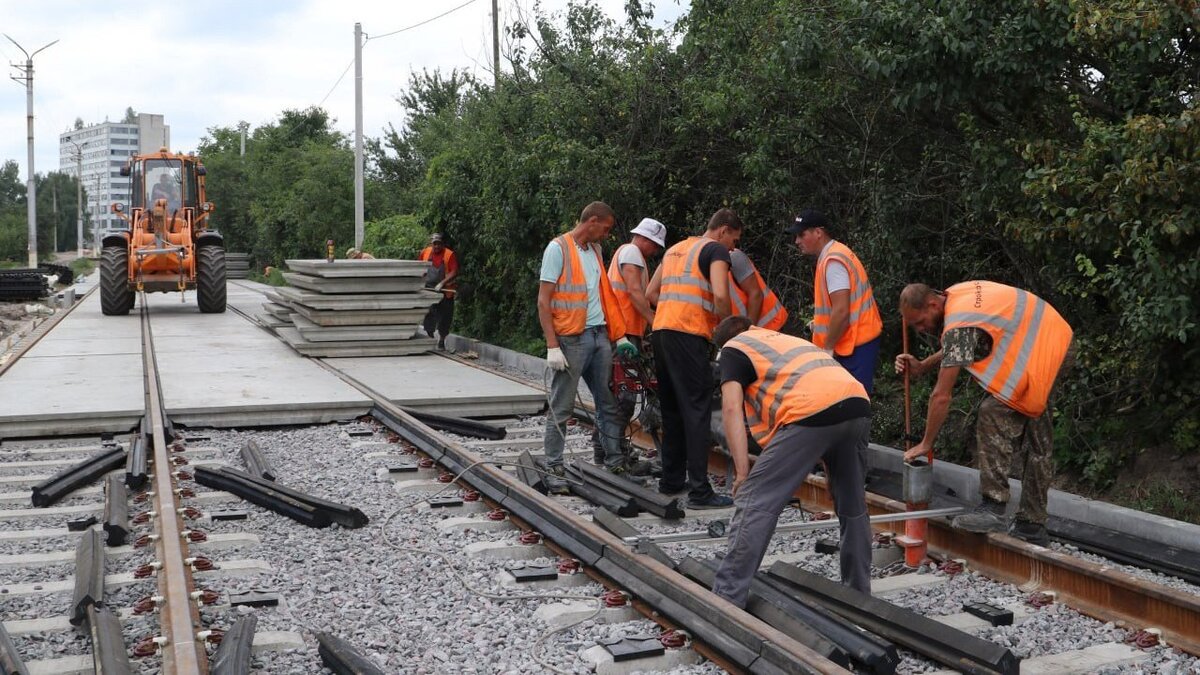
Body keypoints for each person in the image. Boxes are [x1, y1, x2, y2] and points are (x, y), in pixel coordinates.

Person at [895, 281, 1074, 545]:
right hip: (1054, 339)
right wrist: (923, 366)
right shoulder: (956, 297)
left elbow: (941, 396)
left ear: (933, 304)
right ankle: (1032, 525)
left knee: (992, 412)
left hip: (1046, 348)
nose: (920, 329)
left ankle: (993, 506)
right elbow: (958, 348)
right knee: (1037, 436)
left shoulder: (959, 320)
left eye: (920, 322)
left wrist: (926, 443)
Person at [710, 315, 872, 605]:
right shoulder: (785, 342)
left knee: (754, 501)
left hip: (810, 412)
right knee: (853, 508)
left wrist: (744, 474)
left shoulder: (734, 349)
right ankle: (859, 598)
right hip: (858, 404)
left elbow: (732, 410)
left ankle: (726, 599)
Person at [537, 202, 640, 491]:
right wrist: (552, 345)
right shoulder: (557, 249)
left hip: (599, 336)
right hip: (571, 339)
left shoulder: (595, 251)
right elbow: (544, 300)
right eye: (605, 228)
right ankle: (554, 466)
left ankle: (615, 462)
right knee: (562, 405)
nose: (607, 235)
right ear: (592, 221)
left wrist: (618, 335)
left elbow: (604, 294)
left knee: (607, 402)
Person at [644, 208, 742, 509]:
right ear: (723, 230)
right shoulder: (714, 250)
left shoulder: (676, 249)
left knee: (672, 409)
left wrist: (673, 310)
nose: (733, 248)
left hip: (661, 332)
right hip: (688, 335)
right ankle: (701, 492)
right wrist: (728, 335)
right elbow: (722, 296)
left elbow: (650, 292)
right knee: (697, 411)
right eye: (734, 240)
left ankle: (672, 481)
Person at [788, 208, 882, 394]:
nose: (797, 241)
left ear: (818, 233)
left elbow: (841, 311)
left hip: (855, 343)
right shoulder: (835, 254)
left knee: (853, 403)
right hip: (856, 340)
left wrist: (828, 349)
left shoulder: (833, 261)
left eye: (801, 234)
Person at [600, 217, 668, 472]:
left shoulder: (628, 254)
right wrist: (654, 321)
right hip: (623, 335)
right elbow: (634, 293)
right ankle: (615, 457)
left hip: (624, 333)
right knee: (624, 398)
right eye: (655, 245)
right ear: (645, 239)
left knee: (616, 396)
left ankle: (608, 451)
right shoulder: (631, 253)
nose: (656, 251)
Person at [729, 248, 788, 332]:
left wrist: (748, 332)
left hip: (768, 326)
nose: (732, 246)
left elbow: (756, 294)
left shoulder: (733, 256)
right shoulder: (718, 259)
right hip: (752, 330)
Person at [418, 233, 458, 351]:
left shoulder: (449, 254)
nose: (436, 246)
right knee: (429, 314)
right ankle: (430, 338)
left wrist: (442, 283)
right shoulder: (425, 253)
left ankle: (441, 340)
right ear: (432, 243)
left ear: (443, 244)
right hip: (429, 289)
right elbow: (419, 267)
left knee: (445, 317)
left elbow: (454, 272)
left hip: (445, 291)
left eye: (439, 244)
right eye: (434, 244)